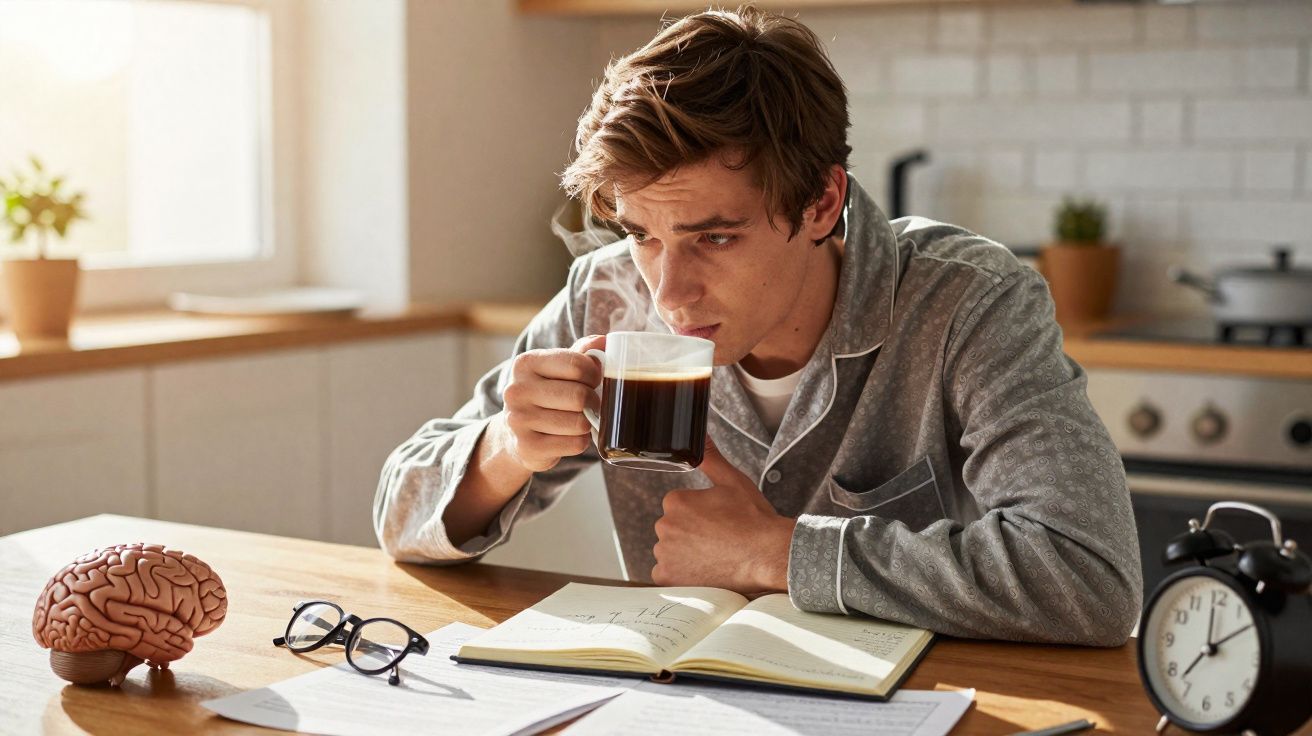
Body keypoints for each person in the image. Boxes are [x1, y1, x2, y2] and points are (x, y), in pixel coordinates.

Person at [374, 7, 1142, 646]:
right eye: (643, 234)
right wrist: (507, 449)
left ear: (820, 203)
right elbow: (397, 517)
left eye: (714, 237)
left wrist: (779, 553)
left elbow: (1090, 578)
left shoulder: (967, 303)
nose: (669, 293)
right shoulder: (605, 297)